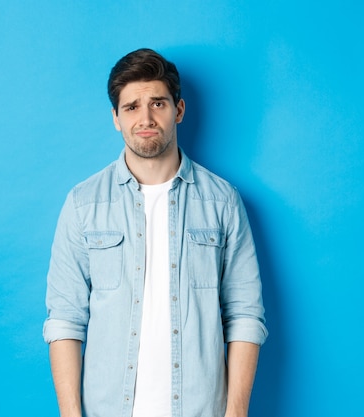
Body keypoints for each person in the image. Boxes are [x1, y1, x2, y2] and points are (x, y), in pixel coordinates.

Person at [43, 48, 268, 417]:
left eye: (158, 104)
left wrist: (236, 413)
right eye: (131, 107)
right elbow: (65, 319)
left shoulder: (222, 202)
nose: (145, 118)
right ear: (115, 117)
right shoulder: (83, 204)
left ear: (178, 110)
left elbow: (245, 315)